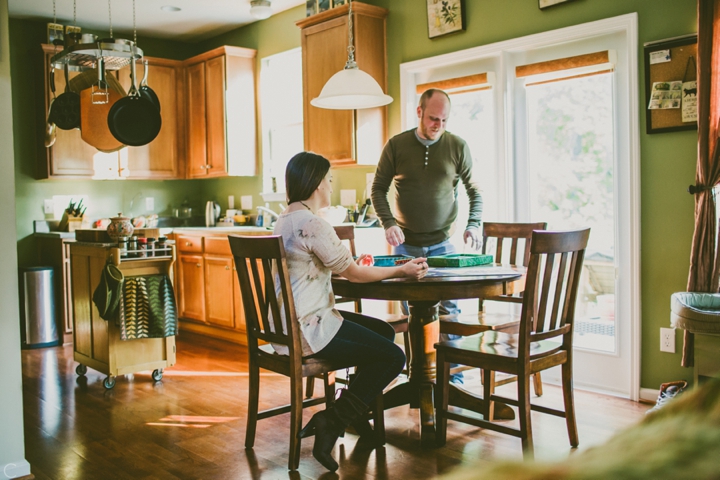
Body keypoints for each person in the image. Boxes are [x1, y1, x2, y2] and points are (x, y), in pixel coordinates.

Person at [273, 151, 428, 472]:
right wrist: (402, 270)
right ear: (316, 183)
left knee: (383, 333)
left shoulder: (283, 220)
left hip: (287, 326)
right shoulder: (313, 224)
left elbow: (341, 268)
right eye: (328, 180)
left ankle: (356, 414)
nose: (330, 186)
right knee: (393, 356)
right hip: (308, 327)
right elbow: (354, 273)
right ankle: (334, 419)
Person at [371, 88, 483, 383]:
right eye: (434, 118)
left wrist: (474, 223)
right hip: (405, 246)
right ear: (419, 112)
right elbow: (378, 189)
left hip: (444, 244)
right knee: (413, 314)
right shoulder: (397, 145)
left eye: (444, 120)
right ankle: (418, 378)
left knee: (449, 311)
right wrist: (388, 223)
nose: (439, 125)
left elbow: (475, 190)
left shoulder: (457, 146)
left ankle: (451, 379)